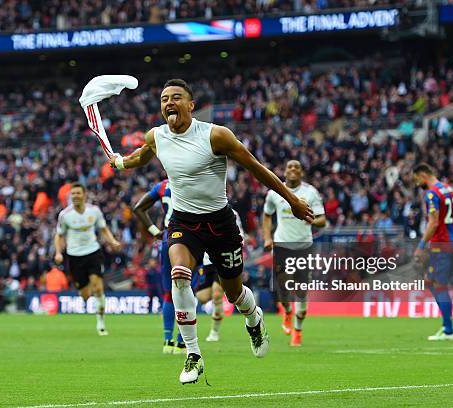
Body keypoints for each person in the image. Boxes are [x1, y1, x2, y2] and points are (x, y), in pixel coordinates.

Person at [108, 78, 313, 384]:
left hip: (220, 224)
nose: (169, 103)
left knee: (233, 293)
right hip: (182, 223)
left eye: (176, 97)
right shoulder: (157, 136)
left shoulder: (215, 135)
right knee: (179, 274)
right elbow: (141, 155)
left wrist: (293, 200)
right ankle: (193, 355)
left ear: (191, 105)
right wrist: (121, 163)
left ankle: (253, 318)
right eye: (164, 99)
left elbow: (256, 168)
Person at [262, 160, 326, 346]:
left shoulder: (310, 192)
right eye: (289, 167)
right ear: (285, 170)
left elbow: (322, 220)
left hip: (304, 246)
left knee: (301, 292)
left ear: (301, 172)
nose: (293, 169)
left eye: (297, 167)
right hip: (282, 244)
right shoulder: (275, 191)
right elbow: (267, 214)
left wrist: (312, 221)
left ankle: (297, 331)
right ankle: (287, 311)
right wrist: (267, 237)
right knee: (283, 285)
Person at [54, 182, 121, 336]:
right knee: (85, 295)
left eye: (78, 193)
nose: (75, 196)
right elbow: (59, 235)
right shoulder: (65, 215)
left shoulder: (94, 211)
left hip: (93, 252)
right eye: (73, 194)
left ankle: (101, 322)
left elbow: (103, 228)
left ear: (84, 195)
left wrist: (112, 242)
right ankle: (88, 291)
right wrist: (58, 252)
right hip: (74, 256)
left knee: (98, 287)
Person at [412, 163, 453, 341]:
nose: (416, 183)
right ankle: (447, 325)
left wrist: (421, 245)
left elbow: (433, 222)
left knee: (438, 284)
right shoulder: (450, 190)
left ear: (423, 175)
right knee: (430, 281)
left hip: (440, 245)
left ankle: (448, 330)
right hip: (450, 243)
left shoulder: (432, 194)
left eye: (416, 179)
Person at [134, 178, 189, 354]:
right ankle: (182, 342)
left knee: (168, 293)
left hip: (168, 237)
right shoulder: (194, 179)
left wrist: (154, 232)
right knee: (187, 289)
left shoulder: (163, 185)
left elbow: (138, 208)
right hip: (190, 238)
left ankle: (167, 341)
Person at [196, 208, 243, 343]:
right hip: (206, 261)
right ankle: (222, 304)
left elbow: (240, 234)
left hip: (223, 257)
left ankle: (214, 332)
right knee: (202, 297)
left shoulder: (232, 214)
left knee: (217, 295)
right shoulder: (200, 211)